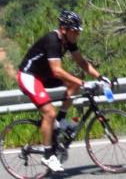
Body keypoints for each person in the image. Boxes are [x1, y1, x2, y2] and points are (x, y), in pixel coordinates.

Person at [16, 10, 111, 172]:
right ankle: (47, 156)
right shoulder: (52, 40)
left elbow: (81, 62)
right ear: (63, 29)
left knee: (72, 85)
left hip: (44, 76)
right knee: (49, 113)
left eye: (78, 31)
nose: (77, 34)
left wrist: (100, 77)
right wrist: (83, 83)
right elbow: (58, 71)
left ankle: (58, 123)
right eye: (74, 31)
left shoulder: (68, 41)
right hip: (29, 76)